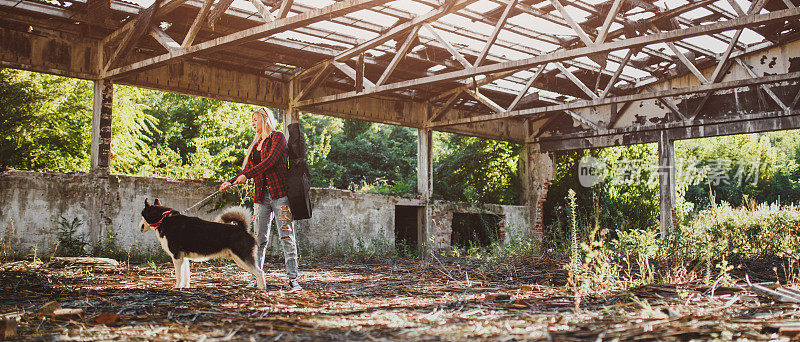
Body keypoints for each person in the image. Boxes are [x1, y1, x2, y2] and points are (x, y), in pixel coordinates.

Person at [219, 108, 302, 292]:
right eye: (252, 121)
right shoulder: (255, 145)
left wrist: (247, 175)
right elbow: (245, 170)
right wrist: (230, 182)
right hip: (260, 198)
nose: (253, 123)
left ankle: (293, 279)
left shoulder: (278, 138)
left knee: (287, 237)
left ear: (265, 119)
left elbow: (270, 162)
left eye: (255, 119)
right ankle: (256, 277)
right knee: (259, 240)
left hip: (281, 196)